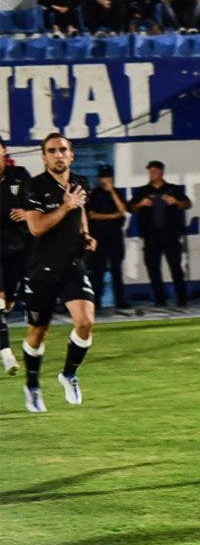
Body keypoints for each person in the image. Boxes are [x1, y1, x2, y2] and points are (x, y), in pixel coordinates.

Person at [19, 133, 98, 413]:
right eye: (51, 151)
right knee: (37, 333)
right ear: (44, 157)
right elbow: (36, 227)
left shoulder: (80, 182)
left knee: (85, 322)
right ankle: (32, 385)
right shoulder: (34, 186)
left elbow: (81, 211)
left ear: (71, 155)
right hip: (41, 270)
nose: (58, 155)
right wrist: (66, 206)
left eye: (63, 150)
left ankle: (69, 374)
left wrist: (86, 234)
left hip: (72, 266)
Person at [130, 160, 191, 308]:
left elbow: (187, 204)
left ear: (161, 172)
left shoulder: (172, 189)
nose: (152, 174)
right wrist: (141, 203)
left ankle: (182, 299)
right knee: (153, 268)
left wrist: (175, 201)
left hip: (171, 235)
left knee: (176, 267)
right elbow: (130, 208)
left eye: (155, 171)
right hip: (151, 236)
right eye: (150, 171)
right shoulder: (143, 191)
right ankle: (160, 299)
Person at [1, 138, 33, 376]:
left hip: (18, 248)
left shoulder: (20, 175)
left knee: (8, 302)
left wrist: (27, 213)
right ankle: (6, 354)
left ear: (4, 151)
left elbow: (36, 204)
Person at [86, 164, 130, 313]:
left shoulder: (117, 193)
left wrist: (112, 191)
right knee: (97, 270)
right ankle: (96, 301)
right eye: (103, 177)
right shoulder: (94, 194)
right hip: (99, 237)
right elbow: (92, 215)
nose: (106, 180)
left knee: (117, 269)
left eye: (108, 177)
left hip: (115, 236)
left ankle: (120, 300)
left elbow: (122, 210)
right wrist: (112, 216)